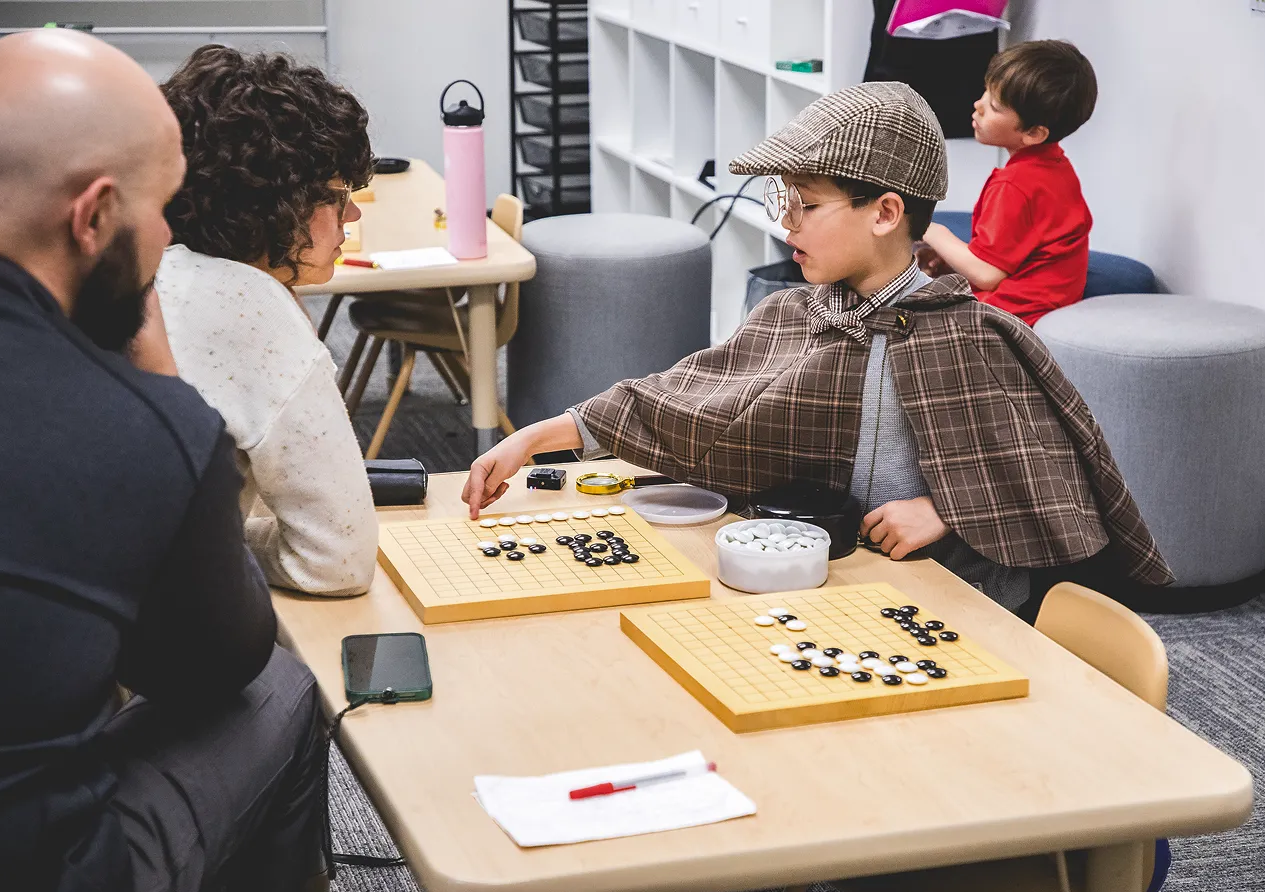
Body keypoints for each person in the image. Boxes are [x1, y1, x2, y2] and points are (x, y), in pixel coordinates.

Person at [463, 82, 1172, 611]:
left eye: (805, 203)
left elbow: (1052, 483)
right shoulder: (792, 316)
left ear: (885, 213)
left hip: (955, 605)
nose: (787, 224)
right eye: (784, 202)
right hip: (830, 590)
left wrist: (946, 510)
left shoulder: (970, 337)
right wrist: (535, 437)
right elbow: (690, 403)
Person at [0, 31, 328, 892]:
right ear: (95, 217)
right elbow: (213, 668)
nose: (170, 234)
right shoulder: (139, 428)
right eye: (162, 207)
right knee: (282, 688)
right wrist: (167, 388)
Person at [154, 45, 378, 596]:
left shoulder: (142, 269)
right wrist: (231, 544)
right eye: (339, 194)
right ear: (279, 203)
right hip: (154, 631)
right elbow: (336, 562)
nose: (352, 213)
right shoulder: (250, 307)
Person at [921, 39, 1097, 326]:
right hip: (1046, 301)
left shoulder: (1015, 185)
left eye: (994, 106)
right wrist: (953, 261)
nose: (978, 105)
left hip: (1013, 316)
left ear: (1034, 133)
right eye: (985, 92)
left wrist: (930, 230)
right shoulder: (1056, 166)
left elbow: (987, 274)